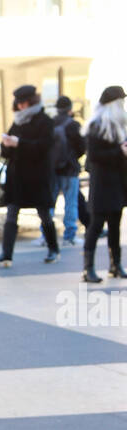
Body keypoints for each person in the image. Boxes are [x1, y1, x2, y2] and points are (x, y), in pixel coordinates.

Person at [0, 84, 60, 268]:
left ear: (31, 101)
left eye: (23, 103)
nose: (20, 107)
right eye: (18, 103)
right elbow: (7, 151)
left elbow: (44, 146)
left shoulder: (44, 121)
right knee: (11, 214)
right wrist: (6, 144)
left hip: (37, 176)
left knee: (44, 214)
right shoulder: (17, 121)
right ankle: (6, 254)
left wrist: (19, 143)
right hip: (17, 177)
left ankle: (53, 249)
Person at [82, 84, 127, 283]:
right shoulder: (96, 125)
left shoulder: (120, 125)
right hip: (102, 183)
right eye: (121, 102)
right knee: (96, 225)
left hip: (118, 182)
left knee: (116, 224)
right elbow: (93, 157)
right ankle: (88, 268)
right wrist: (120, 152)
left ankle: (115, 265)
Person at [45, 96, 85, 248]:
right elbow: (82, 147)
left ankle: (46, 235)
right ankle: (69, 235)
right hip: (69, 169)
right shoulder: (73, 125)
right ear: (70, 108)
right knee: (70, 203)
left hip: (52, 170)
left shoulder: (50, 123)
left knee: (49, 204)